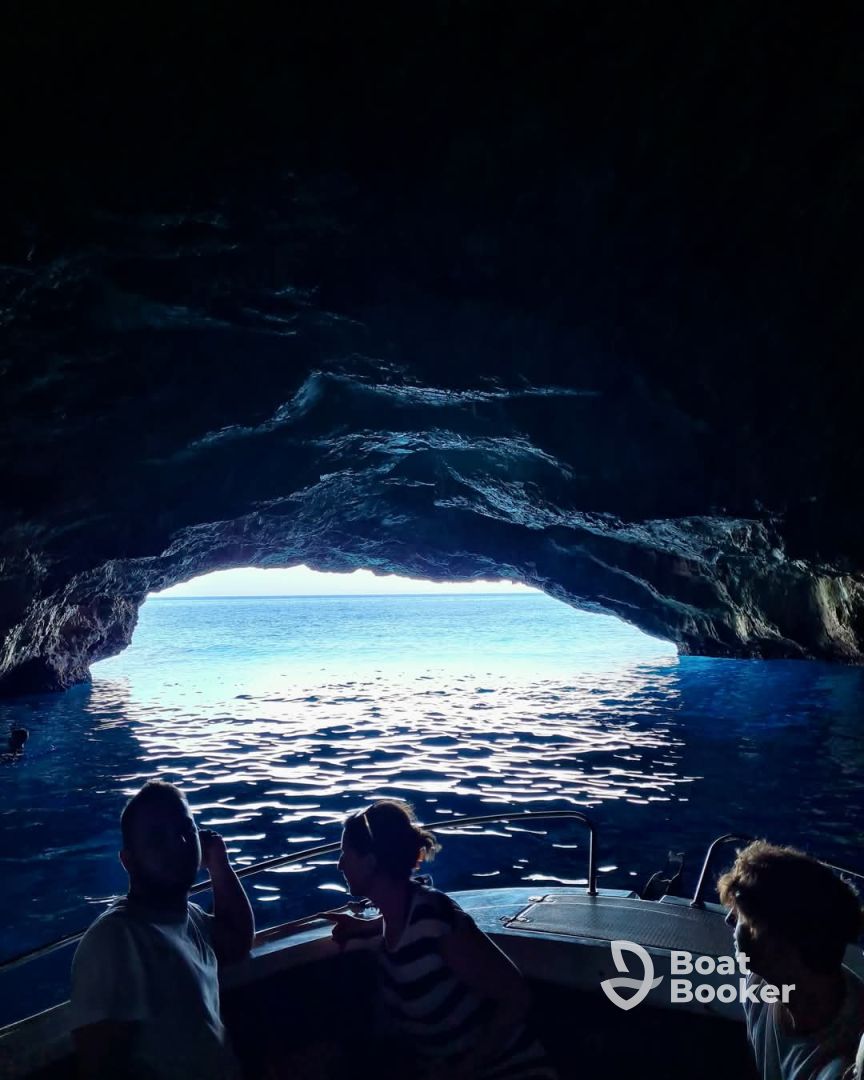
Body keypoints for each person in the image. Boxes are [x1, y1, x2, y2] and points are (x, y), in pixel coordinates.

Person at [326, 799, 557, 1080]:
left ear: (371, 862)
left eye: (345, 854)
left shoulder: (435, 920)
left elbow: (517, 998)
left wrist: (464, 1071)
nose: (340, 864)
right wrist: (364, 927)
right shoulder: (398, 916)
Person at [70, 780, 255, 1079]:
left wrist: (219, 863)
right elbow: (100, 1068)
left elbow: (236, 940)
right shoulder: (115, 939)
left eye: (187, 830)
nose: (179, 843)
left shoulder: (188, 917)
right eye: (158, 839)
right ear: (128, 861)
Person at [718, 840, 864, 1080]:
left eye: (741, 918)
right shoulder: (758, 982)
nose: (728, 921)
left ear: (775, 945)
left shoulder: (842, 1062)